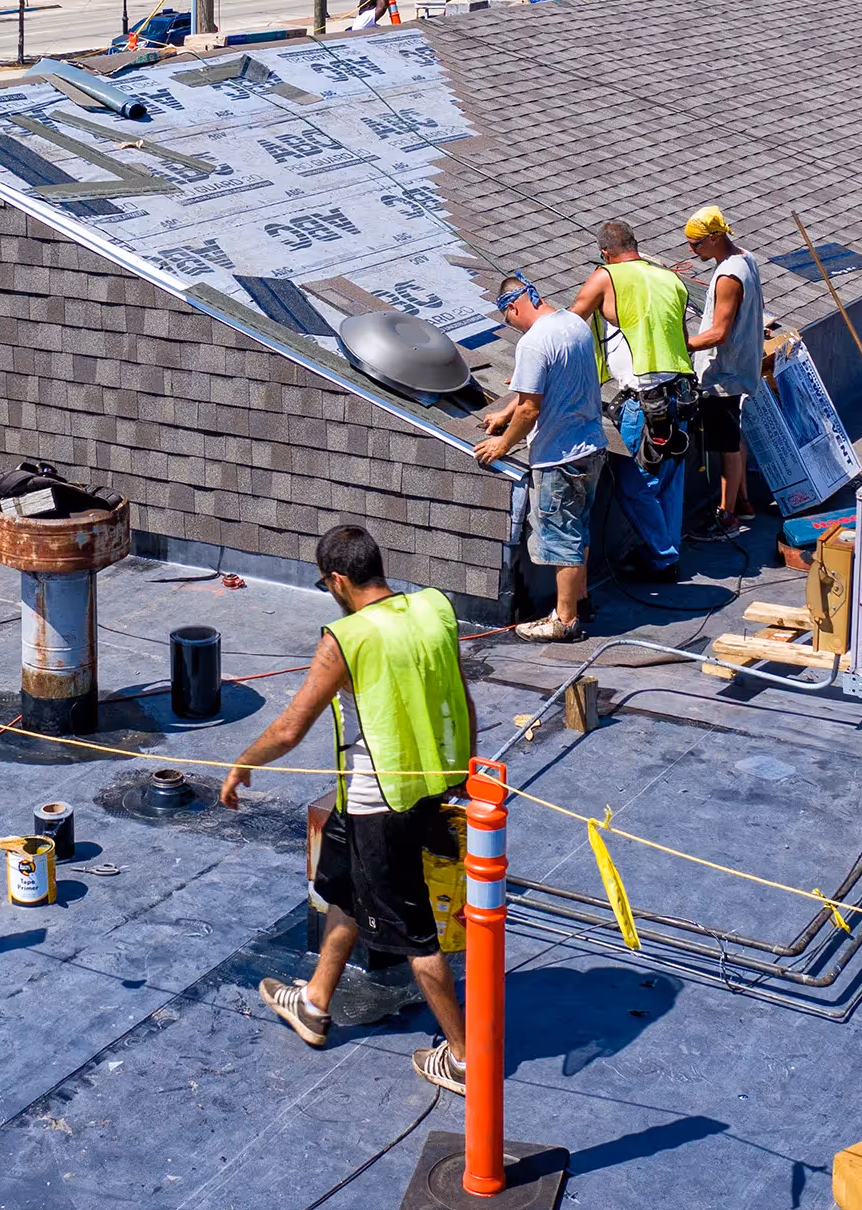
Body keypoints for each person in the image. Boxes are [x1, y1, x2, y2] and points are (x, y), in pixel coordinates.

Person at [224, 525, 476, 1097]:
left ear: (337, 580)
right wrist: (464, 769)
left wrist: (243, 763)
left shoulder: (346, 637)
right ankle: (314, 1002)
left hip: (378, 801)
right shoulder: (433, 609)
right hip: (429, 783)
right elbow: (461, 694)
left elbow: (291, 728)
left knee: (413, 935)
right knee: (344, 886)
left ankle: (464, 1059)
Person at [473, 272, 605, 642]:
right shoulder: (574, 324)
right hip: (591, 447)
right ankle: (581, 601)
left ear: (512, 306)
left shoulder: (532, 343)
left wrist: (502, 444)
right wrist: (504, 413)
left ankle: (564, 621)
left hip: (558, 456)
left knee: (561, 536)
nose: (511, 327)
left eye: (507, 319)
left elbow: (531, 410)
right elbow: (540, 386)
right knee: (578, 529)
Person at [570, 219, 695, 582]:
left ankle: (663, 556)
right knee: (669, 482)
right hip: (680, 397)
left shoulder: (606, 276)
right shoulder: (670, 279)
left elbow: (568, 325)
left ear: (605, 254)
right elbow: (682, 339)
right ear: (636, 246)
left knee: (634, 483)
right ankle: (665, 557)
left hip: (645, 404)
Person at [682, 207, 770, 536]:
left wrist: (682, 345)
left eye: (696, 244)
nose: (691, 250)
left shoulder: (729, 277)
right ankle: (743, 502)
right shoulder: (745, 257)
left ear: (716, 237)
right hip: (740, 367)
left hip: (724, 375)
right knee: (733, 436)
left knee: (726, 445)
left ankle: (727, 516)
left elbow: (718, 333)